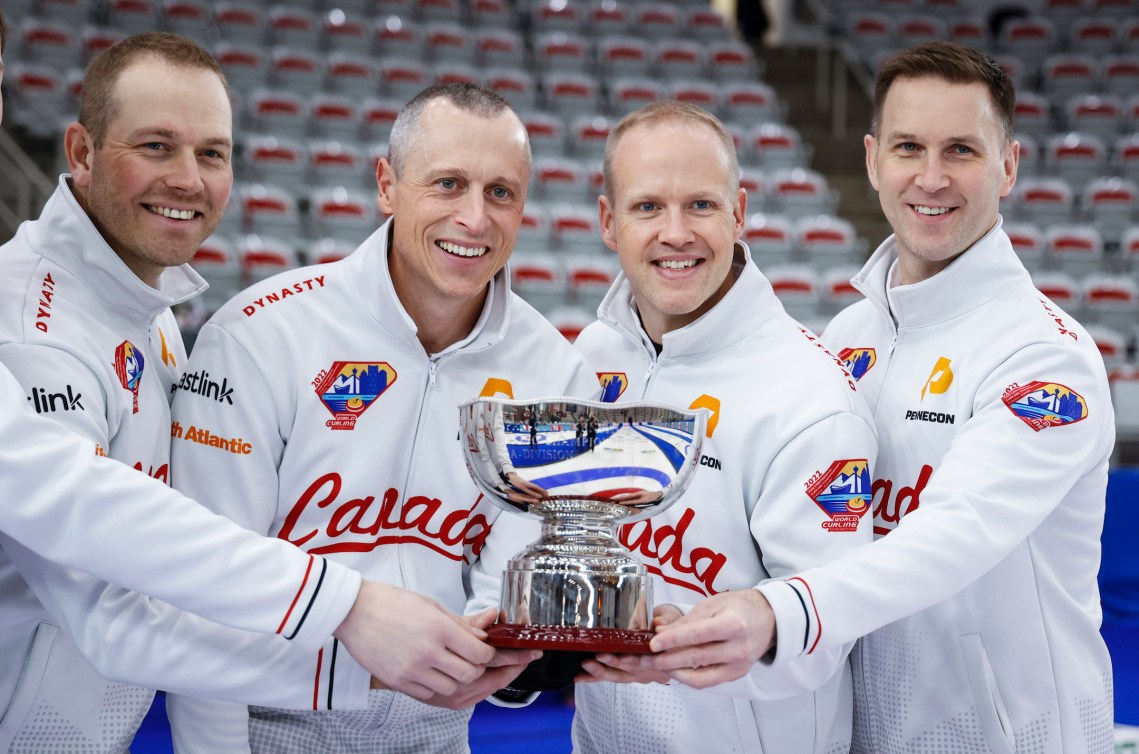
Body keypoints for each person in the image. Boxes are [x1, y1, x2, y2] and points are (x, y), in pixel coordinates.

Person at [0, 34, 506, 752]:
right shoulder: (34, 330)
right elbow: (111, 613)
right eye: (154, 146)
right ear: (80, 153)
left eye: (212, 153)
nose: (188, 179)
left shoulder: (141, 303)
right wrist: (356, 637)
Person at [648, 42, 1115, 754]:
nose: (930, 178)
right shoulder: (849, 333)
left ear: (1008, 167)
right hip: (866, 733)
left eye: (960, 149)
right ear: (871, 161)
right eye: (908, 147)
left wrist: (777, 613)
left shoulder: (1046, 358)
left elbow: (950, 537)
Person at [166, 82, 600, 753]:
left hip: (443, 735)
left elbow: (509, 581)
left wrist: (501, 645)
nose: (475, 218)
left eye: (501, 192)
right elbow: (204, 587)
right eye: (448, 184)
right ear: (387, 185)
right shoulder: (260, 332)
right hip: (267, 732)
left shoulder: (556, 374)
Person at [569, 101, 878, 753]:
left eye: (700, 206)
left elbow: (830, 627)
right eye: (647, 206)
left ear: (738, 213)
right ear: (608, 221)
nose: (675, 232)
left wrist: (704, 645)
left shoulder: (810, 394)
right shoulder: (589, 358)